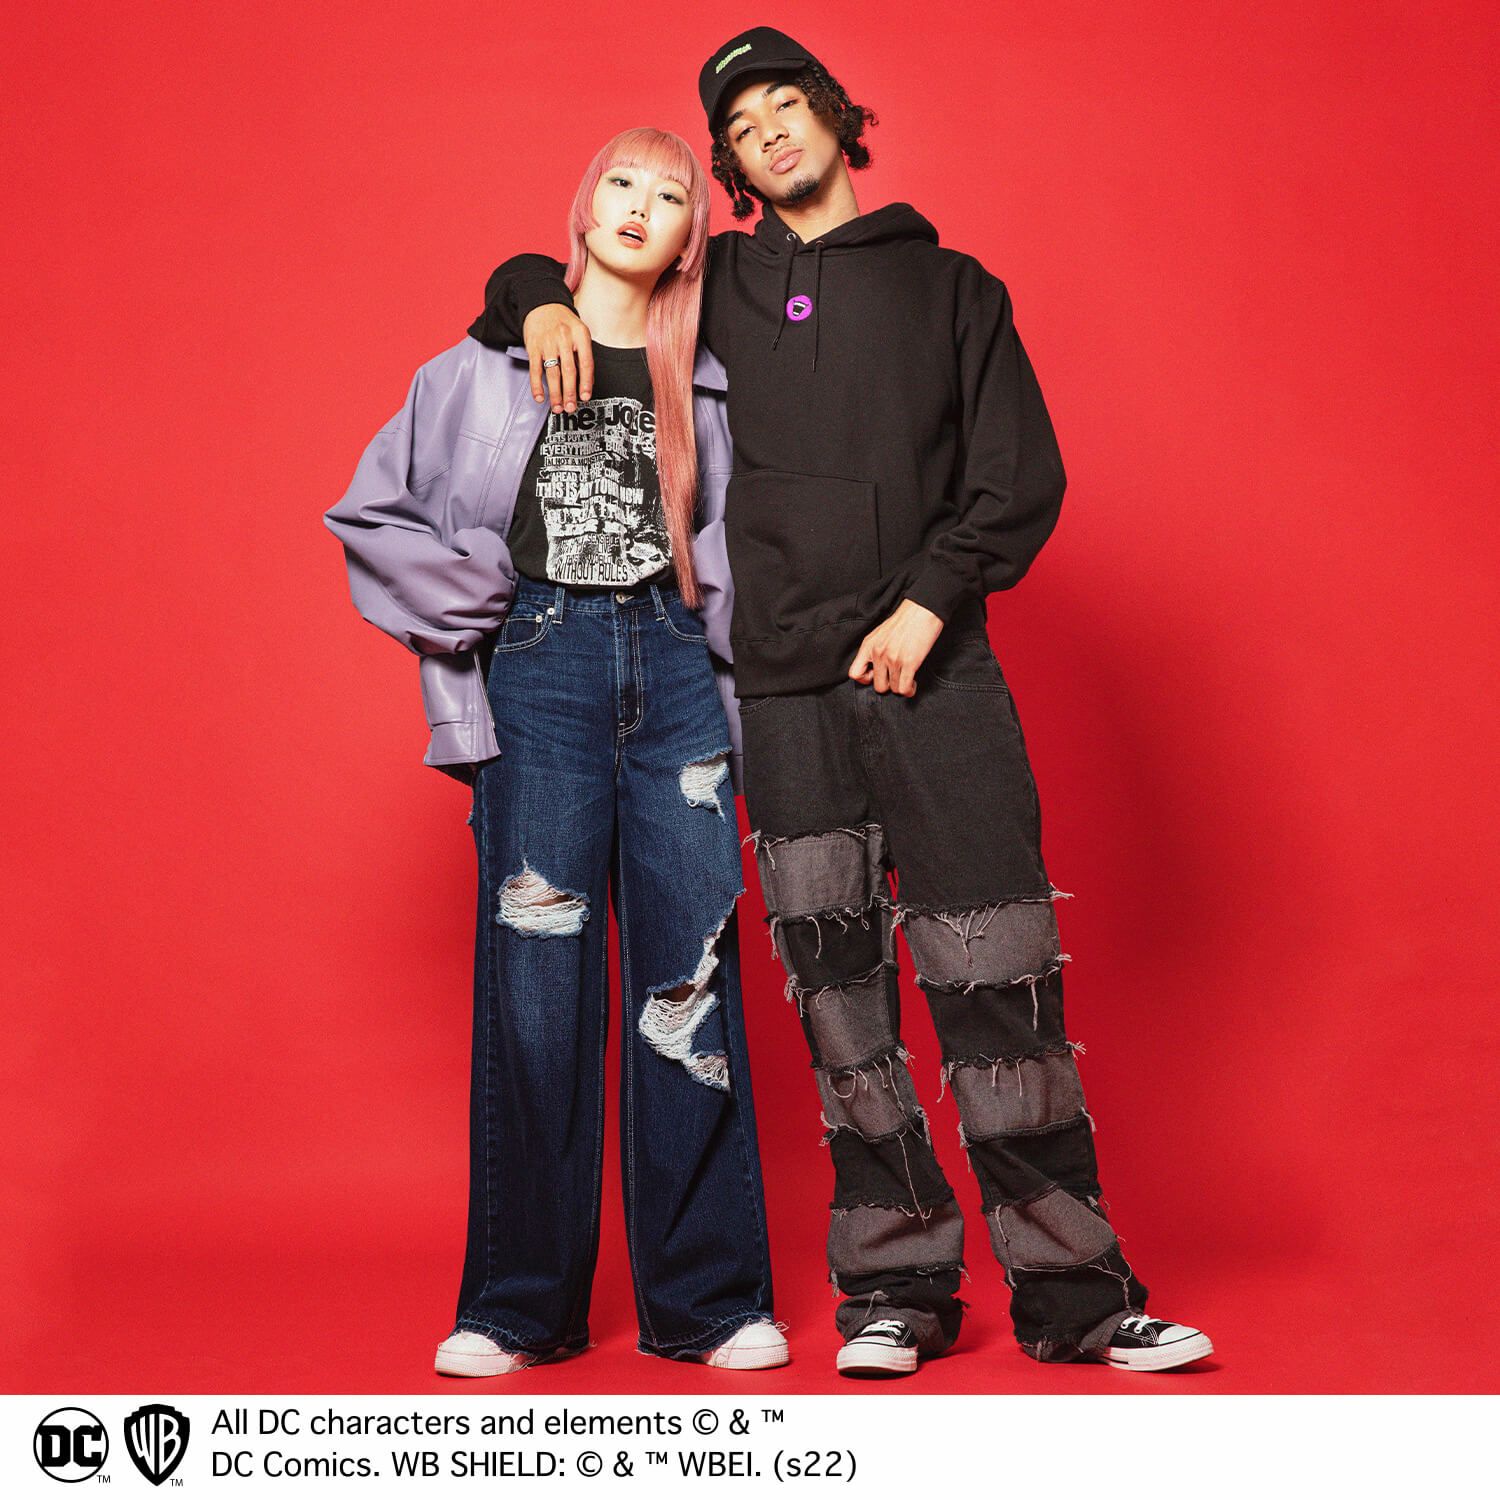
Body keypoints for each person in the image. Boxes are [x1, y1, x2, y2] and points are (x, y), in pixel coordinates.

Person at [469, 31, 1213, 1378]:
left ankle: (1081, 1300)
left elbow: (1017, 474)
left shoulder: (954, 287)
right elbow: (587, 276)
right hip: (784, 694)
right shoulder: (717, 285)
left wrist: (929, 602)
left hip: (937, 675)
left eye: (787, 105)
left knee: (997, 980)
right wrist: (534, 298)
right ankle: (896, 1289)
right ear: (732, 170)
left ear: (834, 117)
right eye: (741, 128)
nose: (770, 132)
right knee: (838, 998)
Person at [325, 127, 787, 1375]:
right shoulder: (484, 363)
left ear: (692, 238)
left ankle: (710, 1302)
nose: (643, 205)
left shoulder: (711, 378)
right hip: (541, 665)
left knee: (689, 978)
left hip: (679, 670)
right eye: (622, 183)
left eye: (672, 194)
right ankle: (518, 1306)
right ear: (584, 206)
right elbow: (371, 511)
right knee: (538, 990)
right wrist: (475, 598)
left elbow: (745, 540)